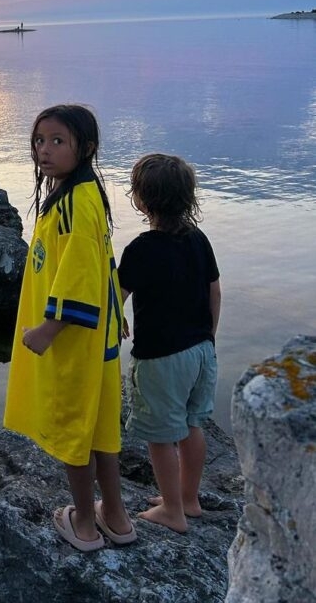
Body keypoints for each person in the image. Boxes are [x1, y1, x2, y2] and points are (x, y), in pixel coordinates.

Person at [4, 104, 135, 551]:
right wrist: (116, 313)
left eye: (58, 141)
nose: (45, 150)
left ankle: (83, 521)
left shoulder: (77, 202)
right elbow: (104, 262)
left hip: (73, 341)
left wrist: (47, 329)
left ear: (86, 148)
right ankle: (115, 516)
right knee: (100, 428)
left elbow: (80, 270)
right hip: (97, 335)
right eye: (40, 140)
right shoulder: (80, 193)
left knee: (75, 429)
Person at [118, 153, 222, 534]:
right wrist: (209, 339)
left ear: (141, 200)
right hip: (201, 351)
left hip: (161, 358)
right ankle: (189, 499)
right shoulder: (199, 240)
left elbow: (116, 296)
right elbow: (215, 292)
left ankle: (172, 512)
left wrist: (118, 321)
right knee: (193, 425)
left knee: (161, 436)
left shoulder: (140, 249)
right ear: (188, 198)